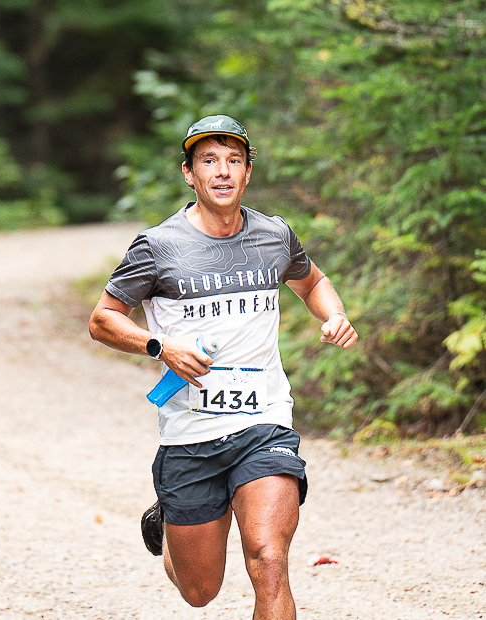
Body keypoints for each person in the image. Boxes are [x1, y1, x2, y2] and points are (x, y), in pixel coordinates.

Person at [88, 115, 357, 620]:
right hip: (191, 431)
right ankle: (172, 522)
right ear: (189, 173)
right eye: (209, 160)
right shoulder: (158, 246)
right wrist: (158, 345)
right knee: (200, 590)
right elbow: (102, 320)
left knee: (269, 559)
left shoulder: (273, 236)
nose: (222, 171)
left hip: (264, 421)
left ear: (248, 172)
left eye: (234, 160)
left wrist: (334, 314)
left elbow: (313, 282)